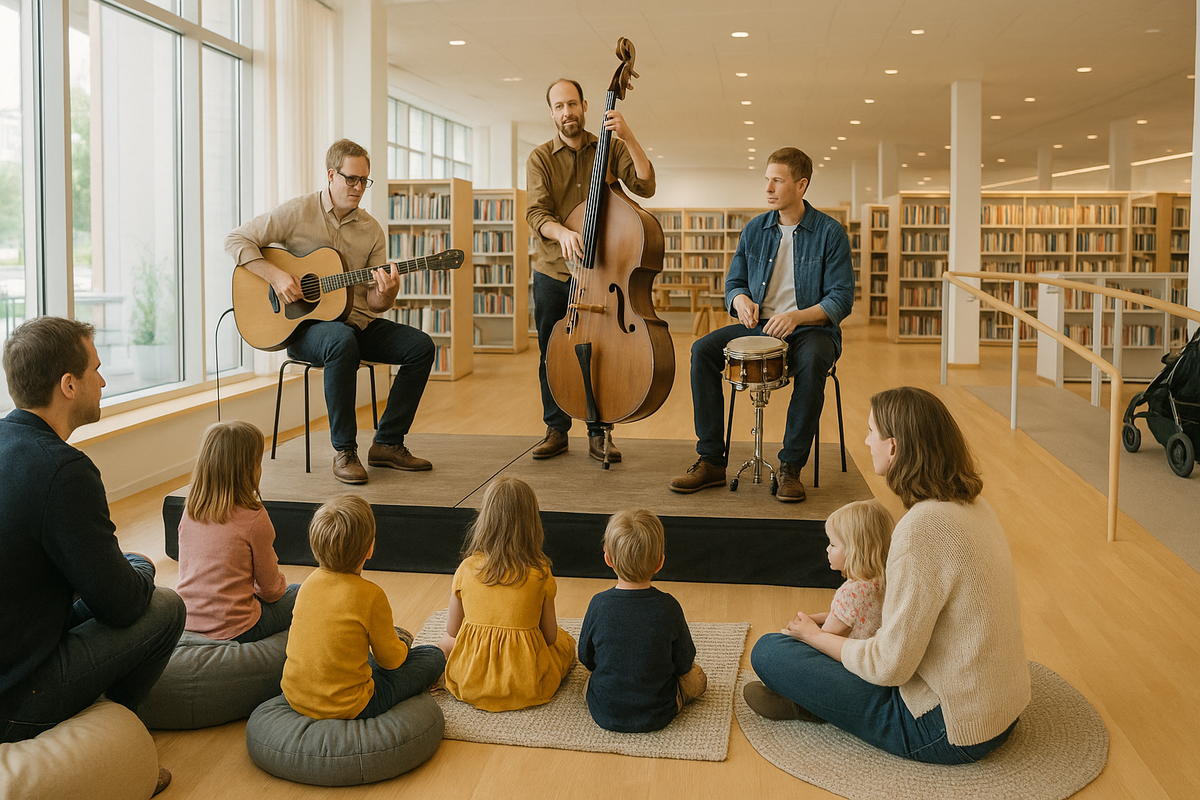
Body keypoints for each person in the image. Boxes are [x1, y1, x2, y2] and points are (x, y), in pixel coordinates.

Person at [744, 387, 1030, 765]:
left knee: (770, 651)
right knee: (816, 649)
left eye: (871, 432)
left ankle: (815, 705)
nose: (866, 441)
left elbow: (889, 666)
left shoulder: (920, 528)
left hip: (949, 729)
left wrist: (815, 637)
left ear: (893, 447)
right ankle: (818, 699)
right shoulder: (977, 506)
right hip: (1002, 708)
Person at [0, 316, 185, 793]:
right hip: (15, 697)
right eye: (96, 370)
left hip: (18, 637)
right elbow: (121, 606)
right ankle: (123, 752)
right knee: (164, 605)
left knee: (125, 573)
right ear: (68, 385)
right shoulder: (63, 470)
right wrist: (139, 569)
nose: (102, 381)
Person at [226, 138, 435, 485]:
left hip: (358, 324)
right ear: (331, 175)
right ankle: (345, 450)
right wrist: (277, 276)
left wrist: (388, 293)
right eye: (351, 179)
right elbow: (235, 239)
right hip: (304, 330)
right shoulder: (297, 212)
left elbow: (375, 304)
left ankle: (387, 443)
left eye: (364, 181)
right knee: (340, 340)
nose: (358, 188)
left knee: (421, 346)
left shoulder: (371, 230)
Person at [668, 147, 855, 502]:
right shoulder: (755, 229)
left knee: (814, 360)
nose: (768, 188)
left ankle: (790, 468)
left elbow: (841, 298)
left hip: (811, 329)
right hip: (760, 325)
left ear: (801, 185)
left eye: (777, 181)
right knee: (702, 350)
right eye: (767, 179)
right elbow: (734, 282)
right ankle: (711, 460)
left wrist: (797, 316)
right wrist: (740, 300)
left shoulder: (830, 233)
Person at [526, 78, 656, 463]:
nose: (567, 112)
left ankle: (599, 431)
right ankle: (556, 429)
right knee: (552, 352)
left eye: (572, 104)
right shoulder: (540, 158)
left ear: (584, 106)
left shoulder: (609, 148)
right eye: (559, 106)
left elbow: (645, 186)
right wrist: (562, 232)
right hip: (554, 271)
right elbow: (536, 212)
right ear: (551, 113)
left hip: (601, 273)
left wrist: (628, 136)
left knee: (601, 351)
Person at [281, 495, 446, 720]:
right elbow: (391, 662)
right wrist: (402, 649)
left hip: (295, 696)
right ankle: (400, 641)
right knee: (433, 656)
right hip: (352, 705)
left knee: (367, 644)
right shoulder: (371, 595)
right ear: (370, 548)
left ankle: (394, 639)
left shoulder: (307, 584)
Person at [436, 477, 576, 711]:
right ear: (532, 523)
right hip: (528, 684)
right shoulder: (540, 573)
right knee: (565, 643)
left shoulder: (467, 568)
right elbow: (550, 637)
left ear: (484, 520)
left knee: (445, 642)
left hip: (470, 682)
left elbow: (453, 630)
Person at [577, 509, 707, 732]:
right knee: (698, 678)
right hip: (659, 713)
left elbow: (586, 657)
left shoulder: (598, 604)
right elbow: (684, 662)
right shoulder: (669, 606)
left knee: (589, 682)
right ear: (660, 563)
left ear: (608, 559)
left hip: (605, 711)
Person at [175, 420, 299, 642]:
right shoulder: (254, 517)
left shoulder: (191, 510)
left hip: (186, 622)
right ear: (250, 470)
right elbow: (271, 591)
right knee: (300, 593)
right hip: (238, 629)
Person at [807, 499, 893, 641]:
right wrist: (810, 619)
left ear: (855, 552)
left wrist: (804, 628)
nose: (827, 549)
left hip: (846, 653)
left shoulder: (851, 593)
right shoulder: (882, 580)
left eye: (833, 544)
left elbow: (824, 636)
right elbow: (843, 617)